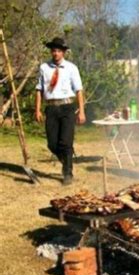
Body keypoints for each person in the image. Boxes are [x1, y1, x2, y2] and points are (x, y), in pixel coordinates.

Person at [35, 37, 85, 185]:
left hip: (67, 107)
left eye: (58, 51)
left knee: (66, 142)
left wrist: (81, 111)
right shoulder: (44, 68)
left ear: (63, 52)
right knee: (52, 143)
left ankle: (68, 173)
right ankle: (66, 162)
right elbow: (39, 90)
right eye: (53, 50)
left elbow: (79, 91)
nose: (55, 53)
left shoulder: (71, 68)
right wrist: (37, 110)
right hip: (51, 108)